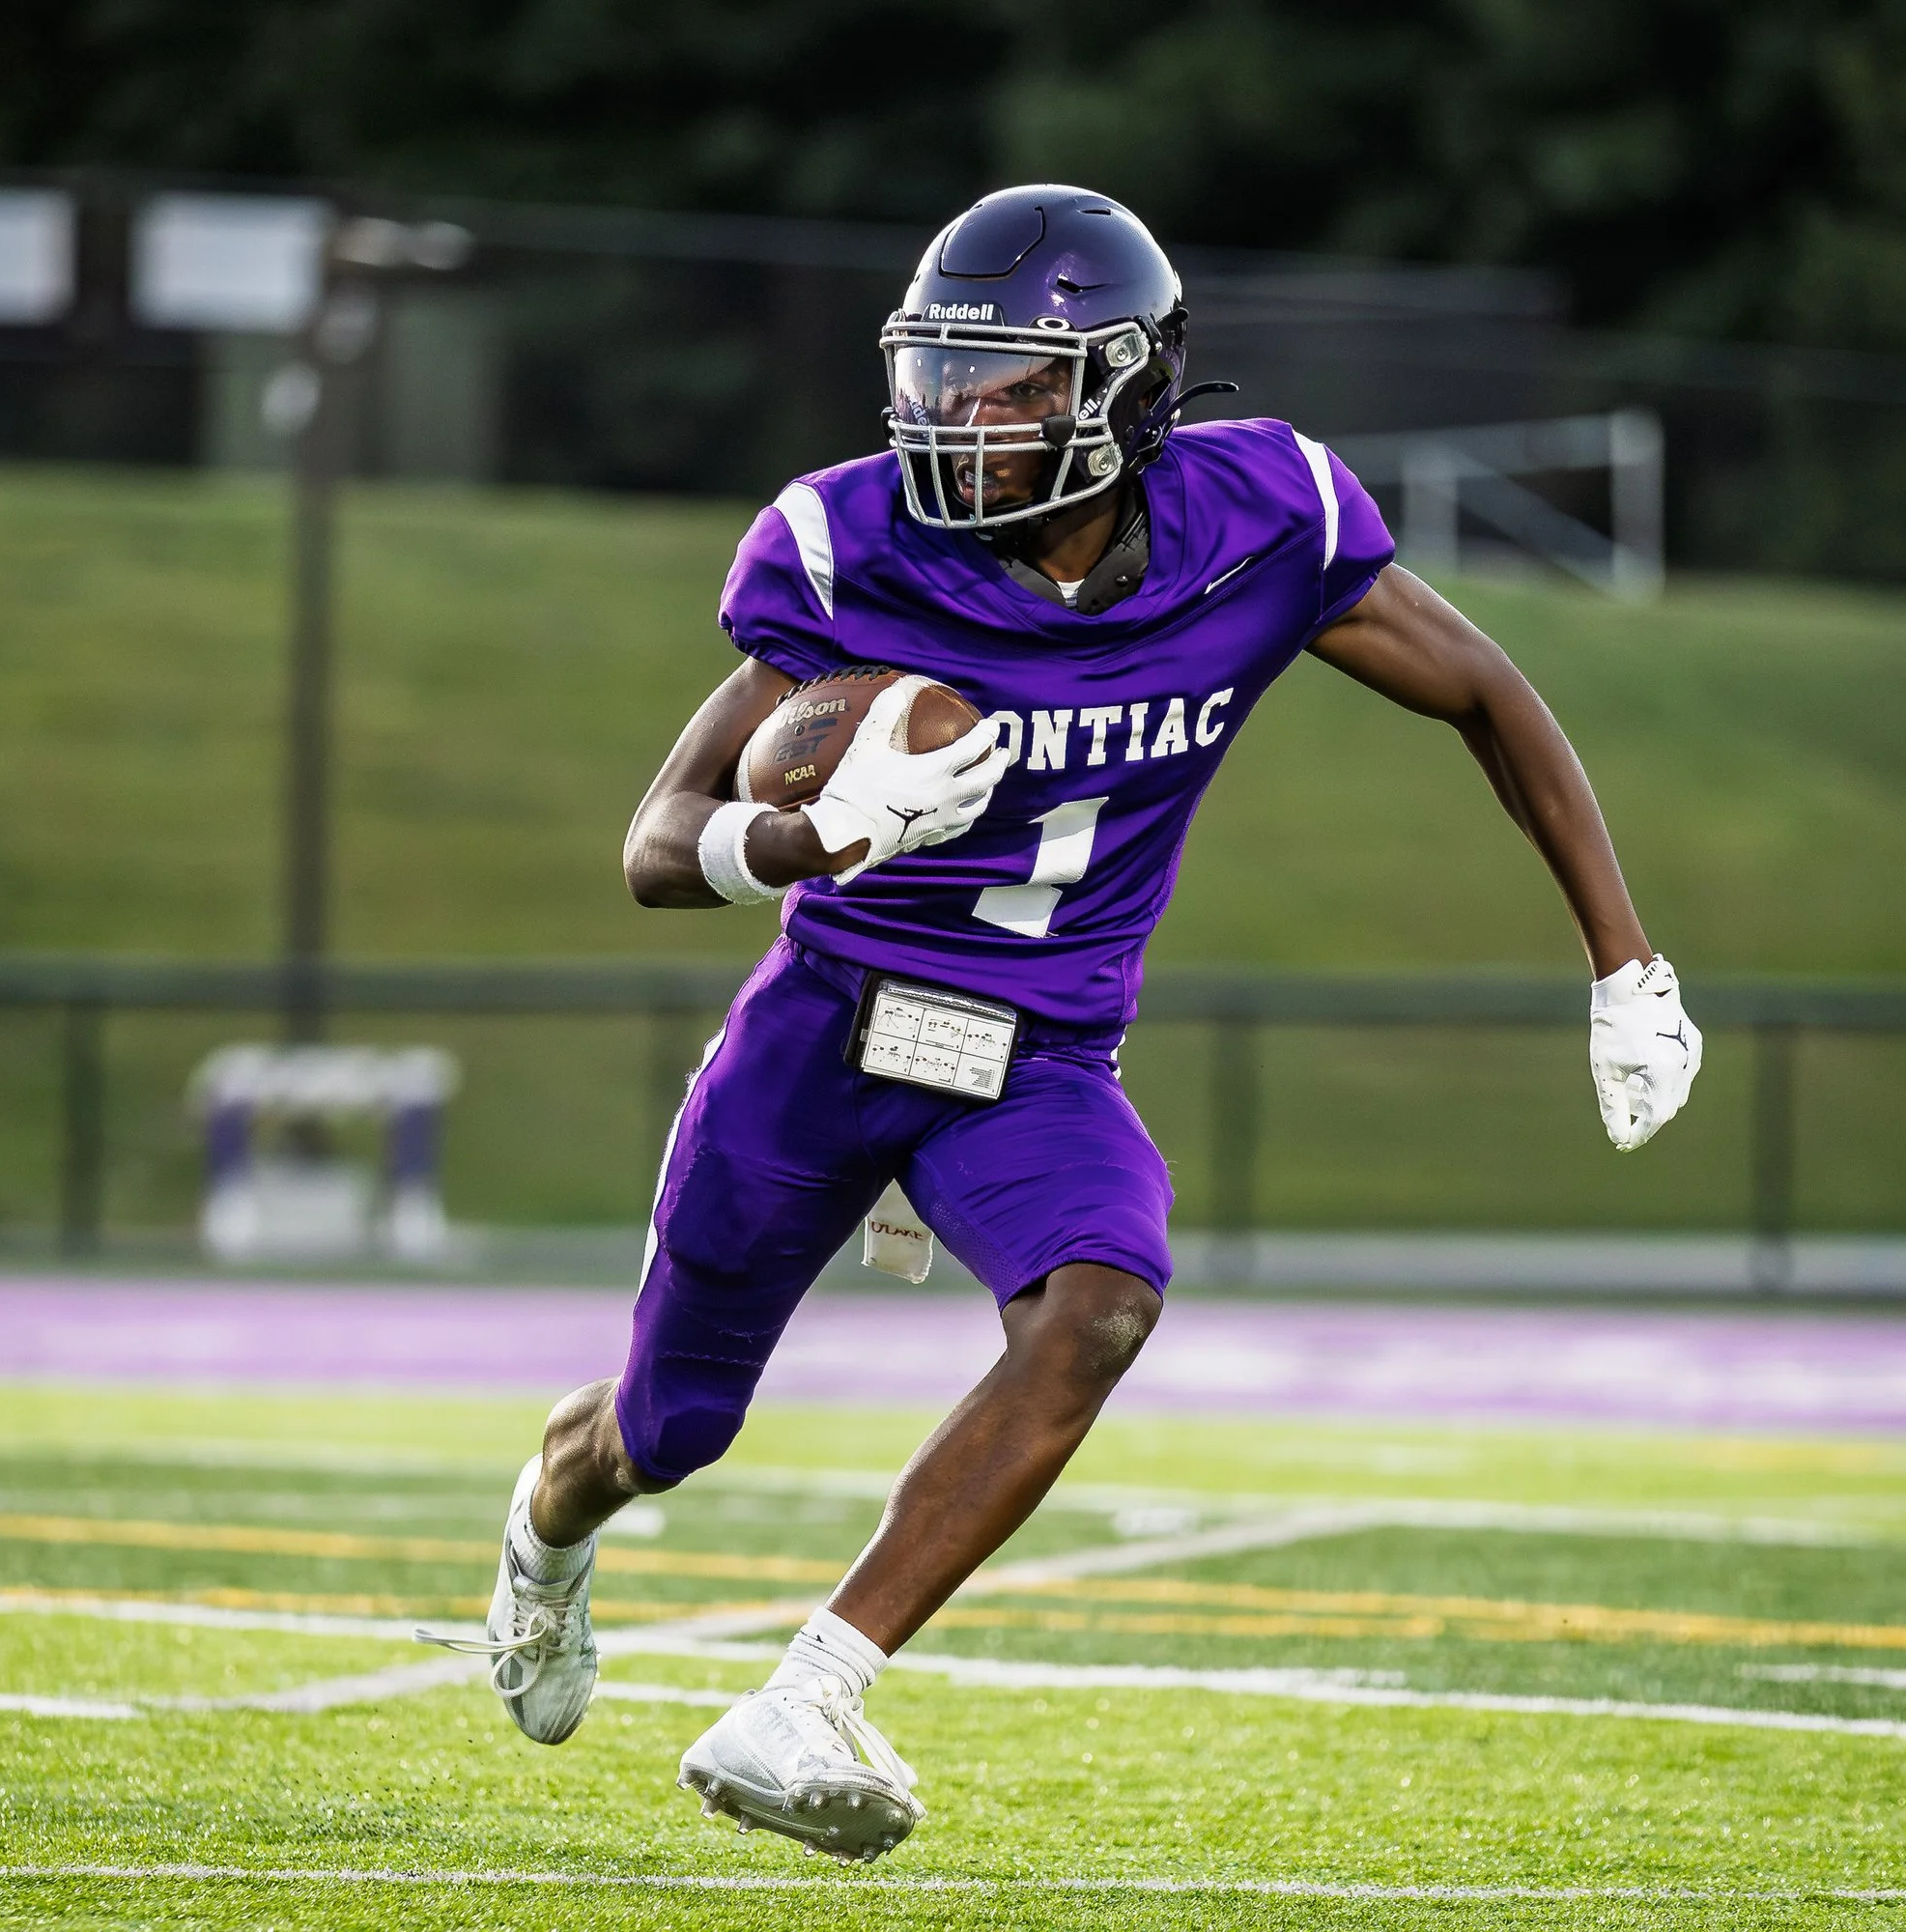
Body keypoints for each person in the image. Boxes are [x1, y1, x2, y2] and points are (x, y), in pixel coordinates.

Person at [428, 184, 1702, 1861]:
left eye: (1017, 382)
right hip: (825, 1027)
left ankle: (813, 1691)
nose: (966, 416)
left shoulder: (1267, 518)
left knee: (1101, 1301)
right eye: (947, 374)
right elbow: (657, 842)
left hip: (1032, 1056)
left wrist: (1626, 961)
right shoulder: (849, 545)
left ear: (1127, 390)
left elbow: (1486, 687)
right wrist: (803, 841)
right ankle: (542, 1533)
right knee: (666, 1429)